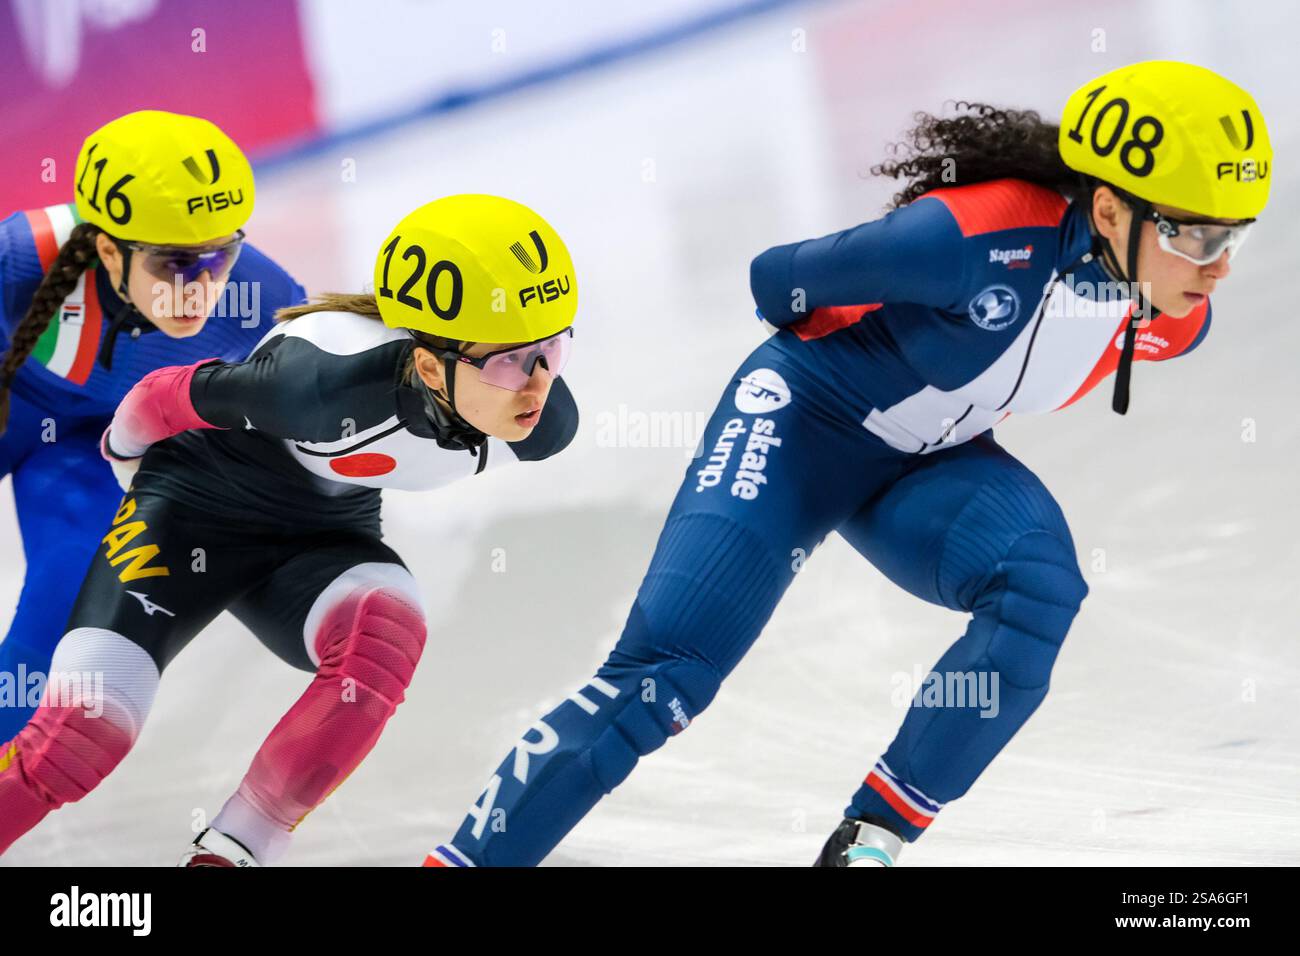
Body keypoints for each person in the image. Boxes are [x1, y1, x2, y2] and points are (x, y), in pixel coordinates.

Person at [423, 60, 1269, 868]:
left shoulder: (1170, 316)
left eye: (1234, 237)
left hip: (926, 459)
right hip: (802, 425)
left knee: (1040, 590)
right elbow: (776, 281)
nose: (1219, 266)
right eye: (1195, 234)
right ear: (1113, 211)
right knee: (663, 679)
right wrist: (849, 356)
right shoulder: (966, 239)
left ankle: (869, 840)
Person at [0, 194, 580, 865]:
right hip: (188, 514)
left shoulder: (542, 425)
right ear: (428, 367)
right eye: (510, 361)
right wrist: (132, 474)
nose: (538, 386)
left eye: (554, 350)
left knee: (384, 636)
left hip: (318, 537)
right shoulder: (316, 384)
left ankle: (234, 850)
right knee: (82, 733)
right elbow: (161, 395)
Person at [0, 109, 306, 738]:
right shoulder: (16, 262)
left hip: (91, 446)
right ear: (108, 248)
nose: (201, 288)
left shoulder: (261, 301)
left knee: (67, 597)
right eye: (174, 264)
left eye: (220, 257)